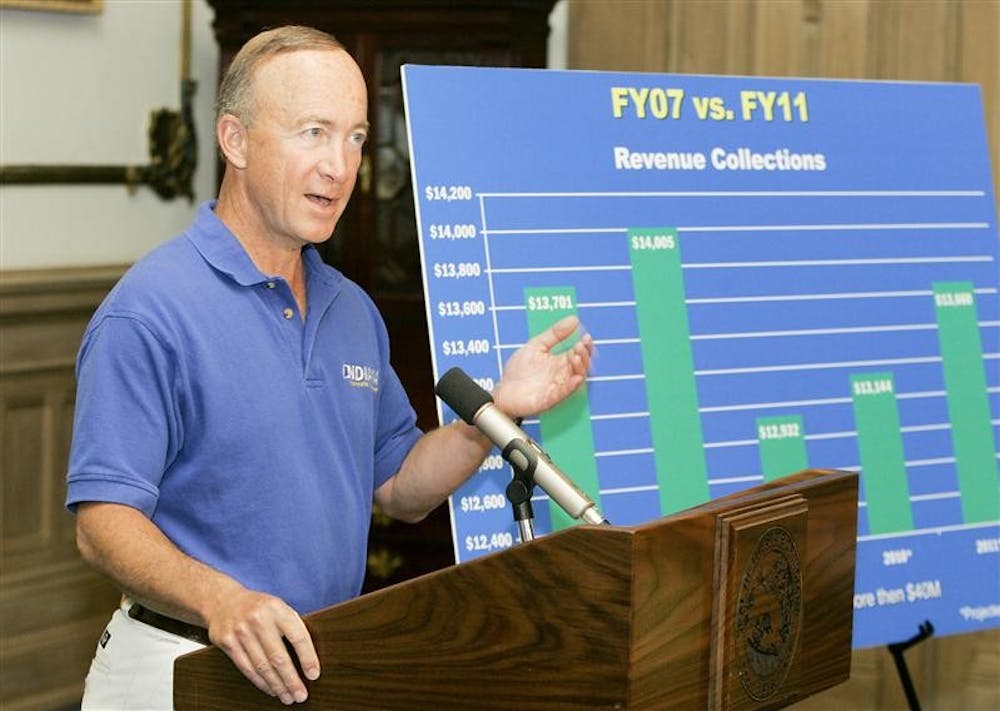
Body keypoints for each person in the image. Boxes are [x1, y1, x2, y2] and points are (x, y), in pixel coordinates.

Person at [65, 25, 593, 710]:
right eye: (313, 132)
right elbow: (102, 522)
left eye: (355, 137)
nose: (341, 167)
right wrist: (223, 601)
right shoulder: (149, 310)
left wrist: (496, 413)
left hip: (316, 665)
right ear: (234, 140)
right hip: (178, 664)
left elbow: (400, 486)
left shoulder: (352, 310)